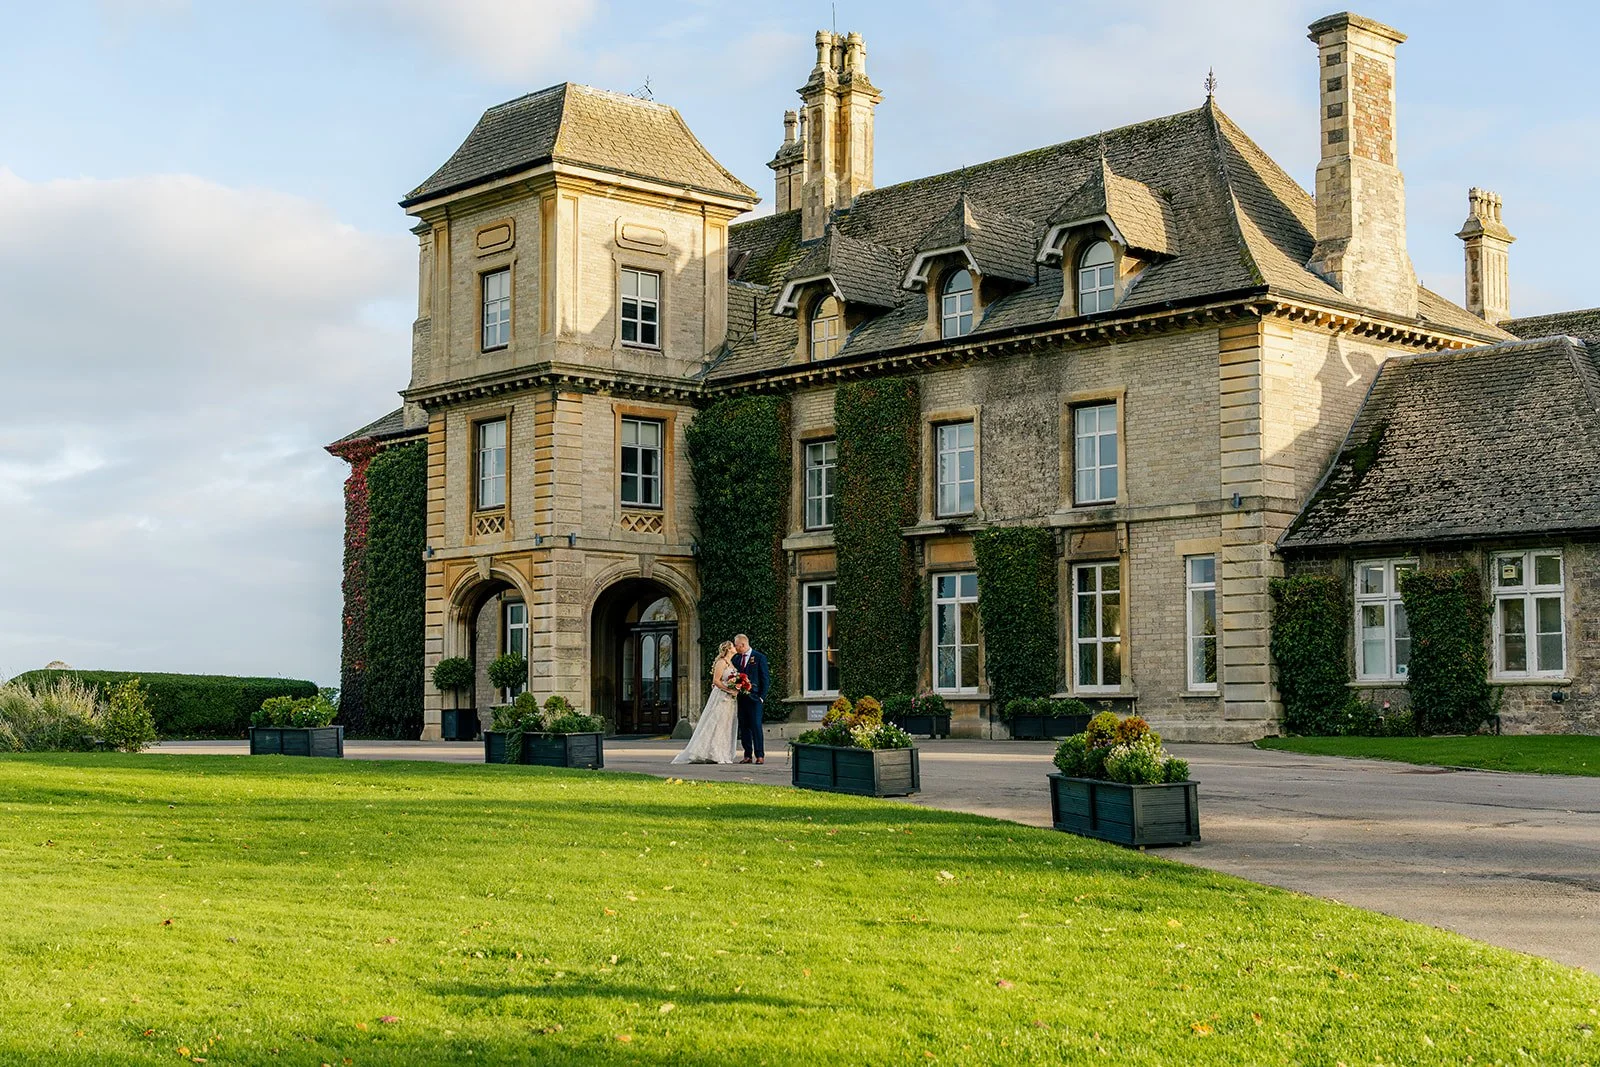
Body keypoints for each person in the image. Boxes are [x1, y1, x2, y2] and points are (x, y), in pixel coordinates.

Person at [671, 640, 739, 765]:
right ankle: (713, 753)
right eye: (733, 646)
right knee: (717, 723)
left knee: (726, 725)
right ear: (728, 649)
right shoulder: (721, 662)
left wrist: (738, 687)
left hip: (731, 700)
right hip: (721, 697)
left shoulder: (731, 664)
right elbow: (717, 681)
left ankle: (723, 753)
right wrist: (729, 689)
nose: (735, 648)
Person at [732, 633, 768, 765]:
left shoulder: (759, 658)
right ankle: (747, 754)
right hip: (741, 699)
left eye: (736, 645)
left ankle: (760, 755)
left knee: (756, 726)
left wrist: (762, 697)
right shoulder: (736, 659)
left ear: (743, 644)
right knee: (744, 726)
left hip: (755, 698)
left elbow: (765, 678)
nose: (735, 648)